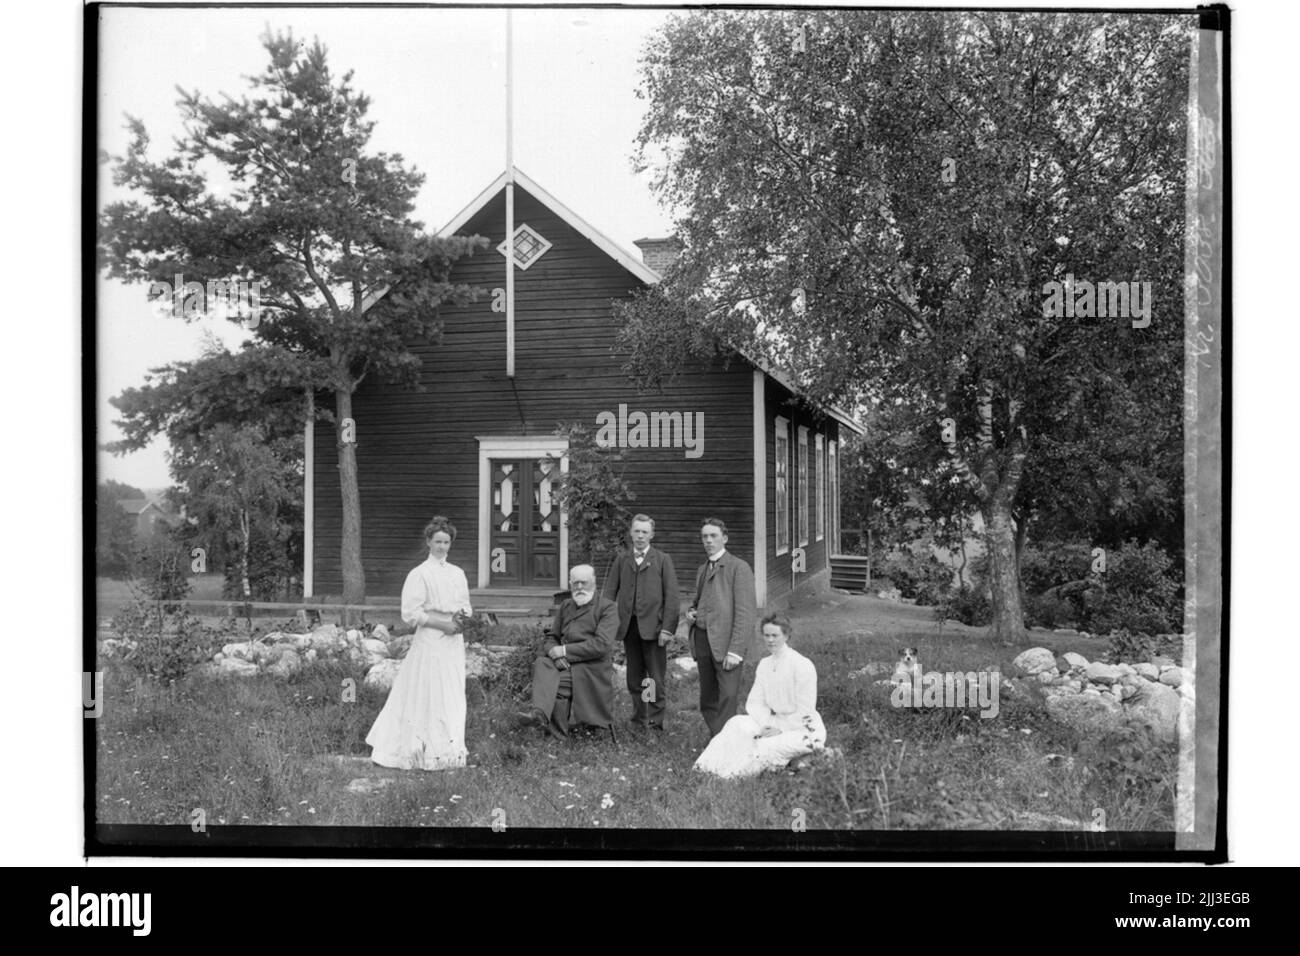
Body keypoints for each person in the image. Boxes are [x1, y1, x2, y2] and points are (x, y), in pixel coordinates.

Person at [367, 517, 474, 771]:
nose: (442, 547)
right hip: (430, 638)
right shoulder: (419, 574)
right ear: (428, 542)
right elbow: (411, 613)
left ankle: (448, 751)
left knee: (451, 692)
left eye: (446, 542)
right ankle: (418, 752)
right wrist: (442, 625)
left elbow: (465, 604)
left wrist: (460, 620)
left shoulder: (457, 573)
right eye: (437, 542)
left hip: (452, 641)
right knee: (428, 691)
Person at [694, 613, 827, 778]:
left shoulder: (802, 665)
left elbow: (806, 709)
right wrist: (766, 724)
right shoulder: (765, 664)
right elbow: (756, 702)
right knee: (736, 723)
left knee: (764, 744)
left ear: (786, 636)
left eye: (775, 635)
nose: (770, 640)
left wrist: (781, 729)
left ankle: (731, 777)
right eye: (766, 635)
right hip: (774, 721)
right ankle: (706, 768)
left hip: (802, 729)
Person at [517, 564, 618, 738]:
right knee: (542, 662)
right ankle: (540, 715)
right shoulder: (566, 605)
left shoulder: (607, 608)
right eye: (575, 583)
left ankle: (551, 729)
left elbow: (601, 645)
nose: (579, 587)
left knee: (556, 685)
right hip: (565, 664)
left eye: (584, 583)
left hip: (591, 668)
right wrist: (554, 654)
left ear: (594, 583)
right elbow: (552, 637)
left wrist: (564, 651)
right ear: (570, 584)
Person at [602, 514, 680, 731]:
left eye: (645, 532)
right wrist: (604, 623)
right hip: (629, 628)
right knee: (634, 678)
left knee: (653, 678)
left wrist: (667, 629)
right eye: (636, 531)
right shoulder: (622, 560)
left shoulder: (662, 560)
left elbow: (672, 597)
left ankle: (654, 723)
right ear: (631, 533)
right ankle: (639, 720)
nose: (640, 536)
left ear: (651, 535)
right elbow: (609, 593)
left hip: (654, 630)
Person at [685, 518, 756, 738]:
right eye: (705, 537)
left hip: (726, 643)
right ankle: (716, 737)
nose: (708, 540)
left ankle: (727, 742)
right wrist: (692, 612)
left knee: (727, 695)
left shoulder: (738, 567)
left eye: (713, 536)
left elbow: (746, 612)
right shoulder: (702, 569)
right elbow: (699, 601)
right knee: (708, 696)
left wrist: (736, 650)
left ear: (724, 538)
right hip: (703, 639)